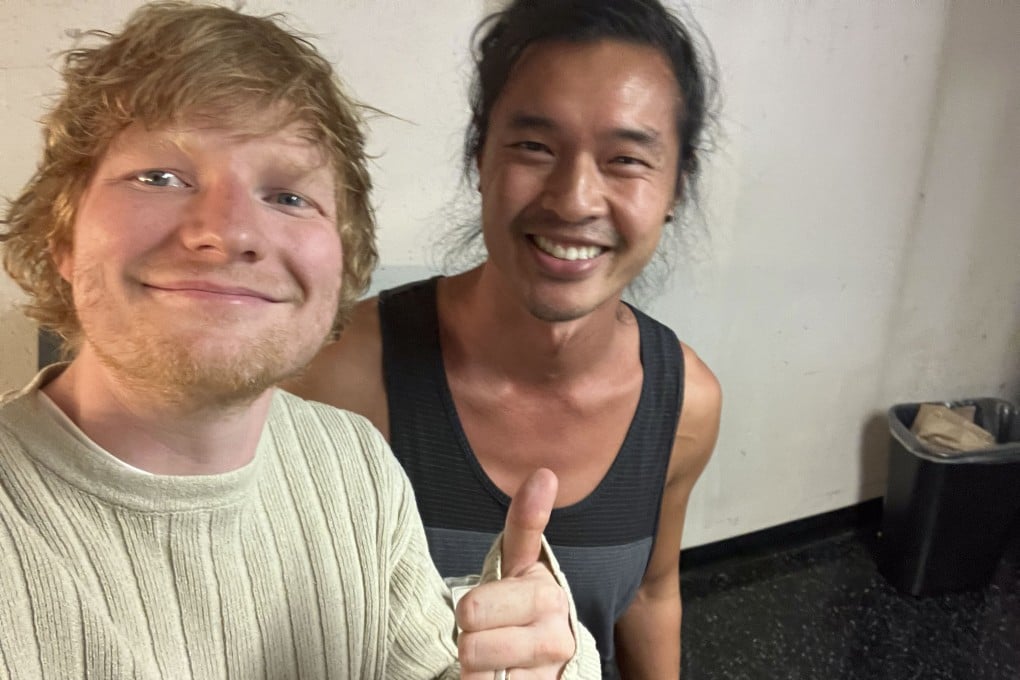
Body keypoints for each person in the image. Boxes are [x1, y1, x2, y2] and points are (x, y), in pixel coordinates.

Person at [0, 3, 601, 678]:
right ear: (62, 237)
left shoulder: (353, 464)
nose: (228, 231)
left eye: (287, 196)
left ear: (342, 262)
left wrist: (536, 661)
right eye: (159, 177)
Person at [287, 0, 723, 677]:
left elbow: (649, 591)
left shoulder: (685, 402)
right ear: (479, 156)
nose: (576, 198)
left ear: (676, 186)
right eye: (534, 146)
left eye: (627, 159)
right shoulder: (344, 374)